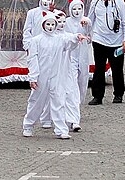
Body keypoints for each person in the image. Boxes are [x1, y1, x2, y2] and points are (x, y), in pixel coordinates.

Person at [22, 11, 86, 139]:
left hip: (57, 76)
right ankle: (28, 125)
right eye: (48, 24)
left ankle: (61, 129)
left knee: (59, 101)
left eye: (53, 24)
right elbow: (32, 59)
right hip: (41, 76)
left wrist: (76, 37)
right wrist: (33, 77)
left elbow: (69, 43)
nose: (50, 27)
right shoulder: (36, 41)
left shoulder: (59, 39)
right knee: (36, 101)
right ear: (43, 25)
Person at [87, 0, 125, 105]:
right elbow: (90, 20)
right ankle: (97, 96)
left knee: (117, 70)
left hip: (116, 41)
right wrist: (87, 34)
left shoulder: (119, 2)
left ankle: (118, 94)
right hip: (99, 40)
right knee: (99, 69)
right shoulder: (95, 2)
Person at [64, 0, 92, 127]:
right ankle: (72, 114)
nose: (76, 11)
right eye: (74, 9)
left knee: (82, 81)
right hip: (71, 56)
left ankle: (77, 105)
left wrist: (88, 26)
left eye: (79, 8)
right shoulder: (67, 22)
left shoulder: (86, 21)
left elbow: (91, 36)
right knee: (72, 84)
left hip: (83, 56)